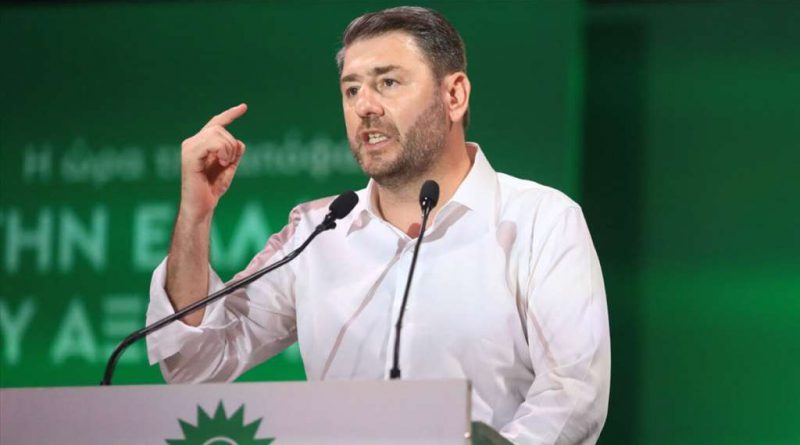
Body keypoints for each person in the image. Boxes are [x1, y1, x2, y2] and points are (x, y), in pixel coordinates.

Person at [146, 6, 610, 444]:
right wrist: (195, 214)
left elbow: (573, 393)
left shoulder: (540, 220)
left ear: (454, 95)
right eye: (351, 90)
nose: (364, 106)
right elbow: (194, 363)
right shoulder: (315, 232)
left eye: (387, 83)